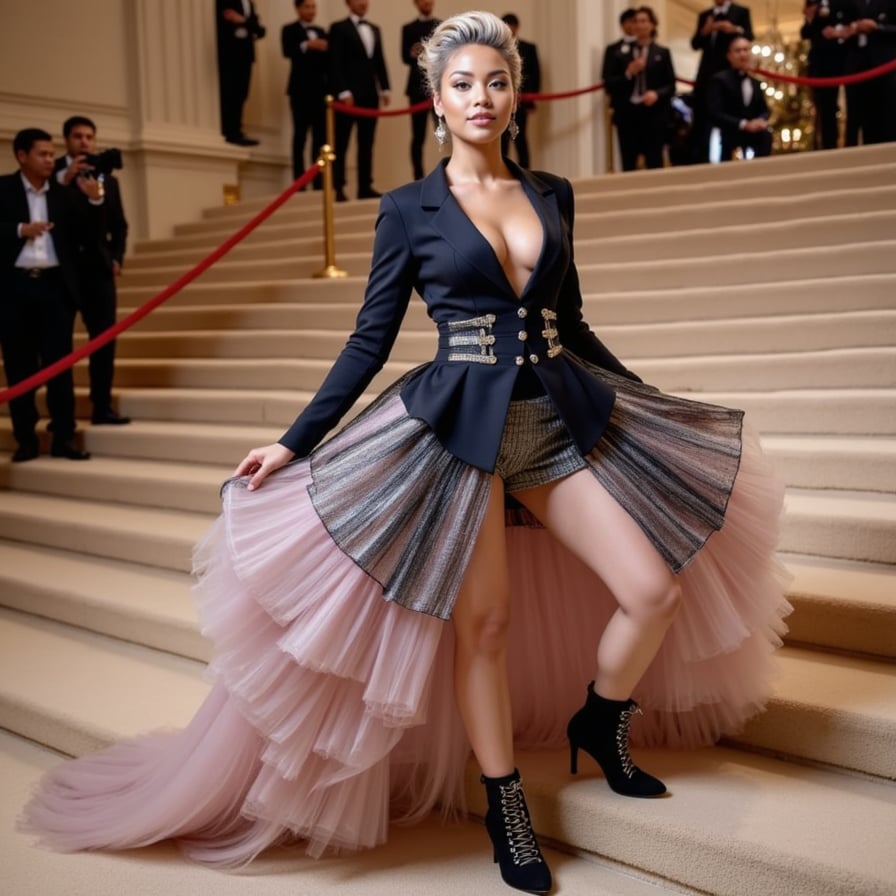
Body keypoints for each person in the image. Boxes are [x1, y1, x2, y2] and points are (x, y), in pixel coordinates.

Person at [20, 12, 790, 896]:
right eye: (463, 84)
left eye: (495, 82)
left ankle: (600, 723)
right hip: (453, 430)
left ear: (514, 93)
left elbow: (573, 323)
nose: (481, 97)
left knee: (653, 590)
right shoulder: (407, 209)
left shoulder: (551, 193)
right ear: (435, 101)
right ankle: (507, 805)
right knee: (485, 628)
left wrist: (652, 401)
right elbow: (369, 338)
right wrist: (294, 439)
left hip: (550, 412)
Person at [0, 128, 103, 462]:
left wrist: (94, 199)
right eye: (42, 154)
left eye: (50, 154)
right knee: (20, 367)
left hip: (55, 289)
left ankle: (64, 438)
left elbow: (88, 232)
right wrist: (20, 230)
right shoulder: (3, 189)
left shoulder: (63, 195)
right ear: (21, 156)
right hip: (15, 289)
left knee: (61, 367)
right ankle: (26, 440)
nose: (50, 160)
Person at [55, 115, 130, 425]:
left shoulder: (107, 177)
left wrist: (116, 257)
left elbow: (120, 226)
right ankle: (63, 421)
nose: (84, 141)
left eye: (89, 136)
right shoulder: (53, 175)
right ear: (67, 141)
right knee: (57, 346)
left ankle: (102, 407)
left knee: (103, 342)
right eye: (77, 136)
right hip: (61, 272)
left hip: (99, 270)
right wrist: (64, 181)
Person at [328, 0, 391, 201]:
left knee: (367, 142)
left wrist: (385, 87)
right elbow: (334, 62)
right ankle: (338, 187)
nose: (363, 3)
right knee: (342, 142)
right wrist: (343, 91)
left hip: (370, 94)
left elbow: (379, 60)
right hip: (348, 96)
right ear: (348, 3)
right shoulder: (338, 28)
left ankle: (365, 186)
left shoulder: (375, 28)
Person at [602, 6, 676, 171]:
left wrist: (656, 94)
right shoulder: (617, 52)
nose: (639, 25)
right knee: (628, 163)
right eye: (635, 21)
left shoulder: (662, 52)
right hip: (627, 114)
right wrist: (629, 72)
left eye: (644, 21)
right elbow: (608, 83)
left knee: (654, 161)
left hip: (654, 114)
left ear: (652, 25)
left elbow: (671, 85)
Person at [690, 1, 754, 162]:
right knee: (702, 125)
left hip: (730, 78)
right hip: (706, 77)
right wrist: (706, 30)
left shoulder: (740, 12)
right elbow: (695, 44)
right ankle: (701, 164)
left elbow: (749, 35)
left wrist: (734, 29)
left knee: (728, 123)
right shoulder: (705, 16)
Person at [282, 0, 329, 184]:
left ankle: (318, 181)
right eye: (307, 7)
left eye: (313, 7)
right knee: (300, 135)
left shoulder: (322, 32)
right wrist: (307, 45)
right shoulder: (289, 29)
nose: (311, 10)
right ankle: (299, 181)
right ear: (298, 9)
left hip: (320, 91)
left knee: (320, 137)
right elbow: (287, 51)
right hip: (299, 91)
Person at [707, 35, 772, 161]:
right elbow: (715, 113)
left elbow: (765, 109)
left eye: (746, 50)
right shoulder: (719, 80)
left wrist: (760, 121)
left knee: (765, 136)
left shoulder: (755, 83)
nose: (743, 54)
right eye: (738, 50)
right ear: (729, 56)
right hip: (730, 131)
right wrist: (743, 124)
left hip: (754, 132)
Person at [842, 0, 896, 146]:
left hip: (886, 67)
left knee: (888, 116)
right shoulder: (854, 4)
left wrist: (877, 27)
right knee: (864, 119)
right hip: (859, 68)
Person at [801, 1, 851, 150]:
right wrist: (810, 18)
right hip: (821, 65)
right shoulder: (813, 2)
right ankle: (827, 144)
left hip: (845, 59)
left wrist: (838, 31)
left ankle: (849, 142)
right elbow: (805, 33)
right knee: (825, 108)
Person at [216, 0, 266, 146]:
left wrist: (242, 20)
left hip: (246, 56)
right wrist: (248, 23)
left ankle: (236, 130)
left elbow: (261, 30)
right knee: (229, 93)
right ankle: (229, 131)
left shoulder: (250, 4)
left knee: (242, 93)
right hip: (228, 55)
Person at [402, 0, 441, 180]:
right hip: (416, 89)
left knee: (447, 133)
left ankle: (450, 173)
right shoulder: (408, 28)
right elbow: (404, 56)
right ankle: (418, 177)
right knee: (418, 137)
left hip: (438, 86)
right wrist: (413, 54)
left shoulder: (441, 26)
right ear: (416, 3)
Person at [499, 13, 541, 168]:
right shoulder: (497, 50)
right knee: (502, 138)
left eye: (512, 26)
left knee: (520, 137)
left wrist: (532, 100)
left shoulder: (529, 48)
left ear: (517, 27)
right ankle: (503, 170)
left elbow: (535, 75)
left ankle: (525, 172)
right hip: (502, 102)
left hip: (522, 102)